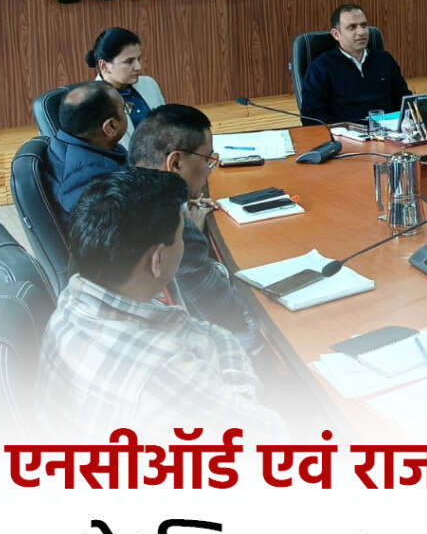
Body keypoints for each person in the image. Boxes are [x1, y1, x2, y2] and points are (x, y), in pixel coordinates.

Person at [36, 168, 284, 437]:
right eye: (181, 235)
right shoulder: (161, 368)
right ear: (158, 260)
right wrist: (228, 355)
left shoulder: (71, 299)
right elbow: (264, 431)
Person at [129, 104, 260, 347]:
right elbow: (229, 318)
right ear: (176, 163)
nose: (209, 171)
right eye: (207, 159)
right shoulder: (173, 229)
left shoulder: (125, 196)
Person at [300, 3, 411, 124]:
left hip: (389, 130)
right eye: (352, 27)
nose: (361, 32)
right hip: (345, 133)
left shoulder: (385, 59)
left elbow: (405, 102)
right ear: (336, 34)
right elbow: (312, 118)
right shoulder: (320, 68)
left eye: (364, 25)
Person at [45, 81, 128, 222]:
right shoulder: (91, 176)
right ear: (111, 127)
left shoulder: (65, 142)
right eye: (125, 109)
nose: (126, 112)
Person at [86, 26, 165, 148]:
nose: (138, 67)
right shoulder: (92, 101)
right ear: (104, 66)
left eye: (139, 59)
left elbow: (167, 127)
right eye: (129, 62)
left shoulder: (149, 84)